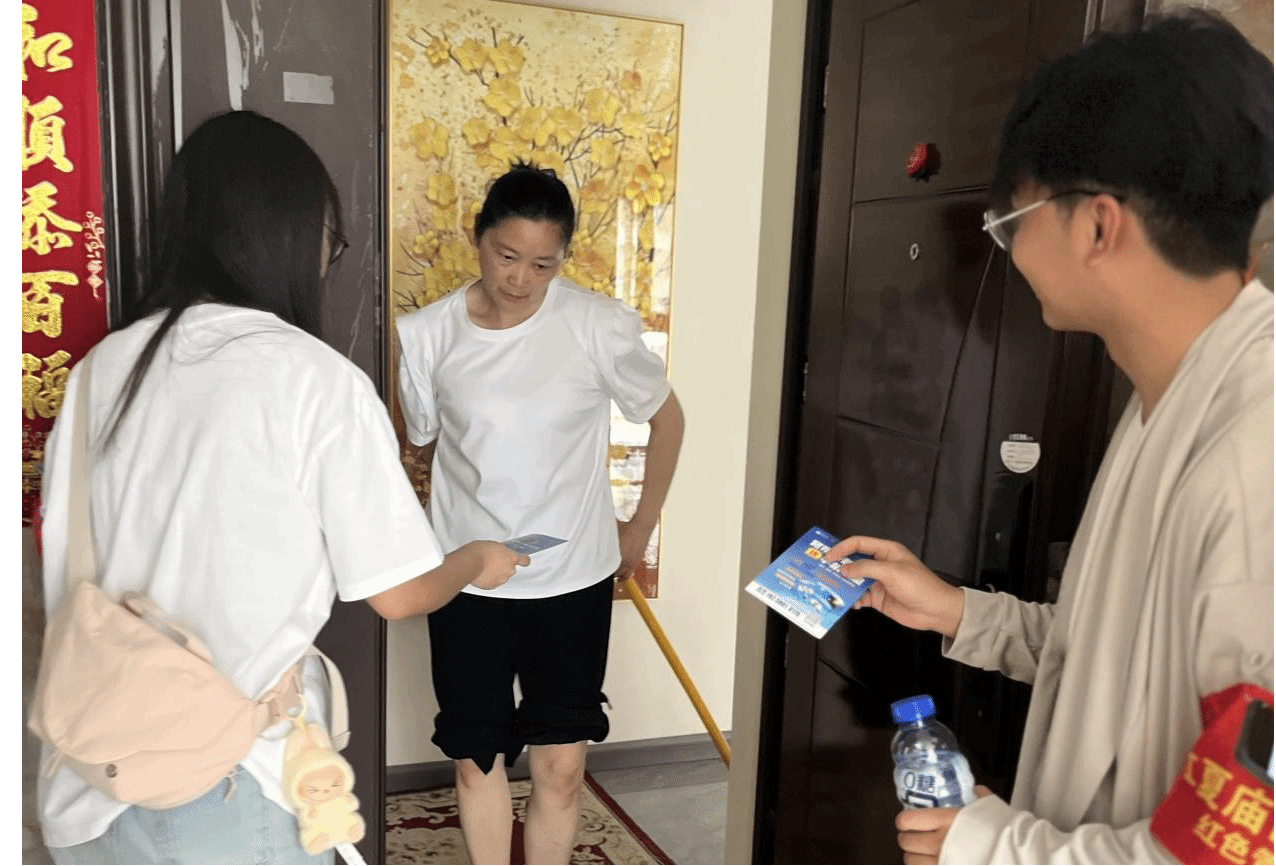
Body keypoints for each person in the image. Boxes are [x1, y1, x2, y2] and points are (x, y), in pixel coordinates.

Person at [826, 10, 1273, 865]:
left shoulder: (1254, 457)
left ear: (1098, 225)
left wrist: (992, 847)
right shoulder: (1168, 395)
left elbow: (1242, 840)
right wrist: (959, 611)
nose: (1011, 250)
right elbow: (1117, 658)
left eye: (1014, 221)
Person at [35, 110, 527, 865]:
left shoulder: (102, 369)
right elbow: (398, 593)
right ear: (292, 236)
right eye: (330, 239)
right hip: (229, 784)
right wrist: (477, 560)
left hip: (88, 776)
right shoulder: (313, 380)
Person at [395, 162, 685, 864]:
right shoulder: (427, 335)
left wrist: (639, 527)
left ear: (562, 259)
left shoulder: (595, 325)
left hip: (572, 578)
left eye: (542, 264)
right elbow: (415, 443)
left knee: (561, 767)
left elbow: (667, 419)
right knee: (477, 760)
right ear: (478, 236)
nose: (520, 278)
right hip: (468, 581)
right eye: (506, 256)